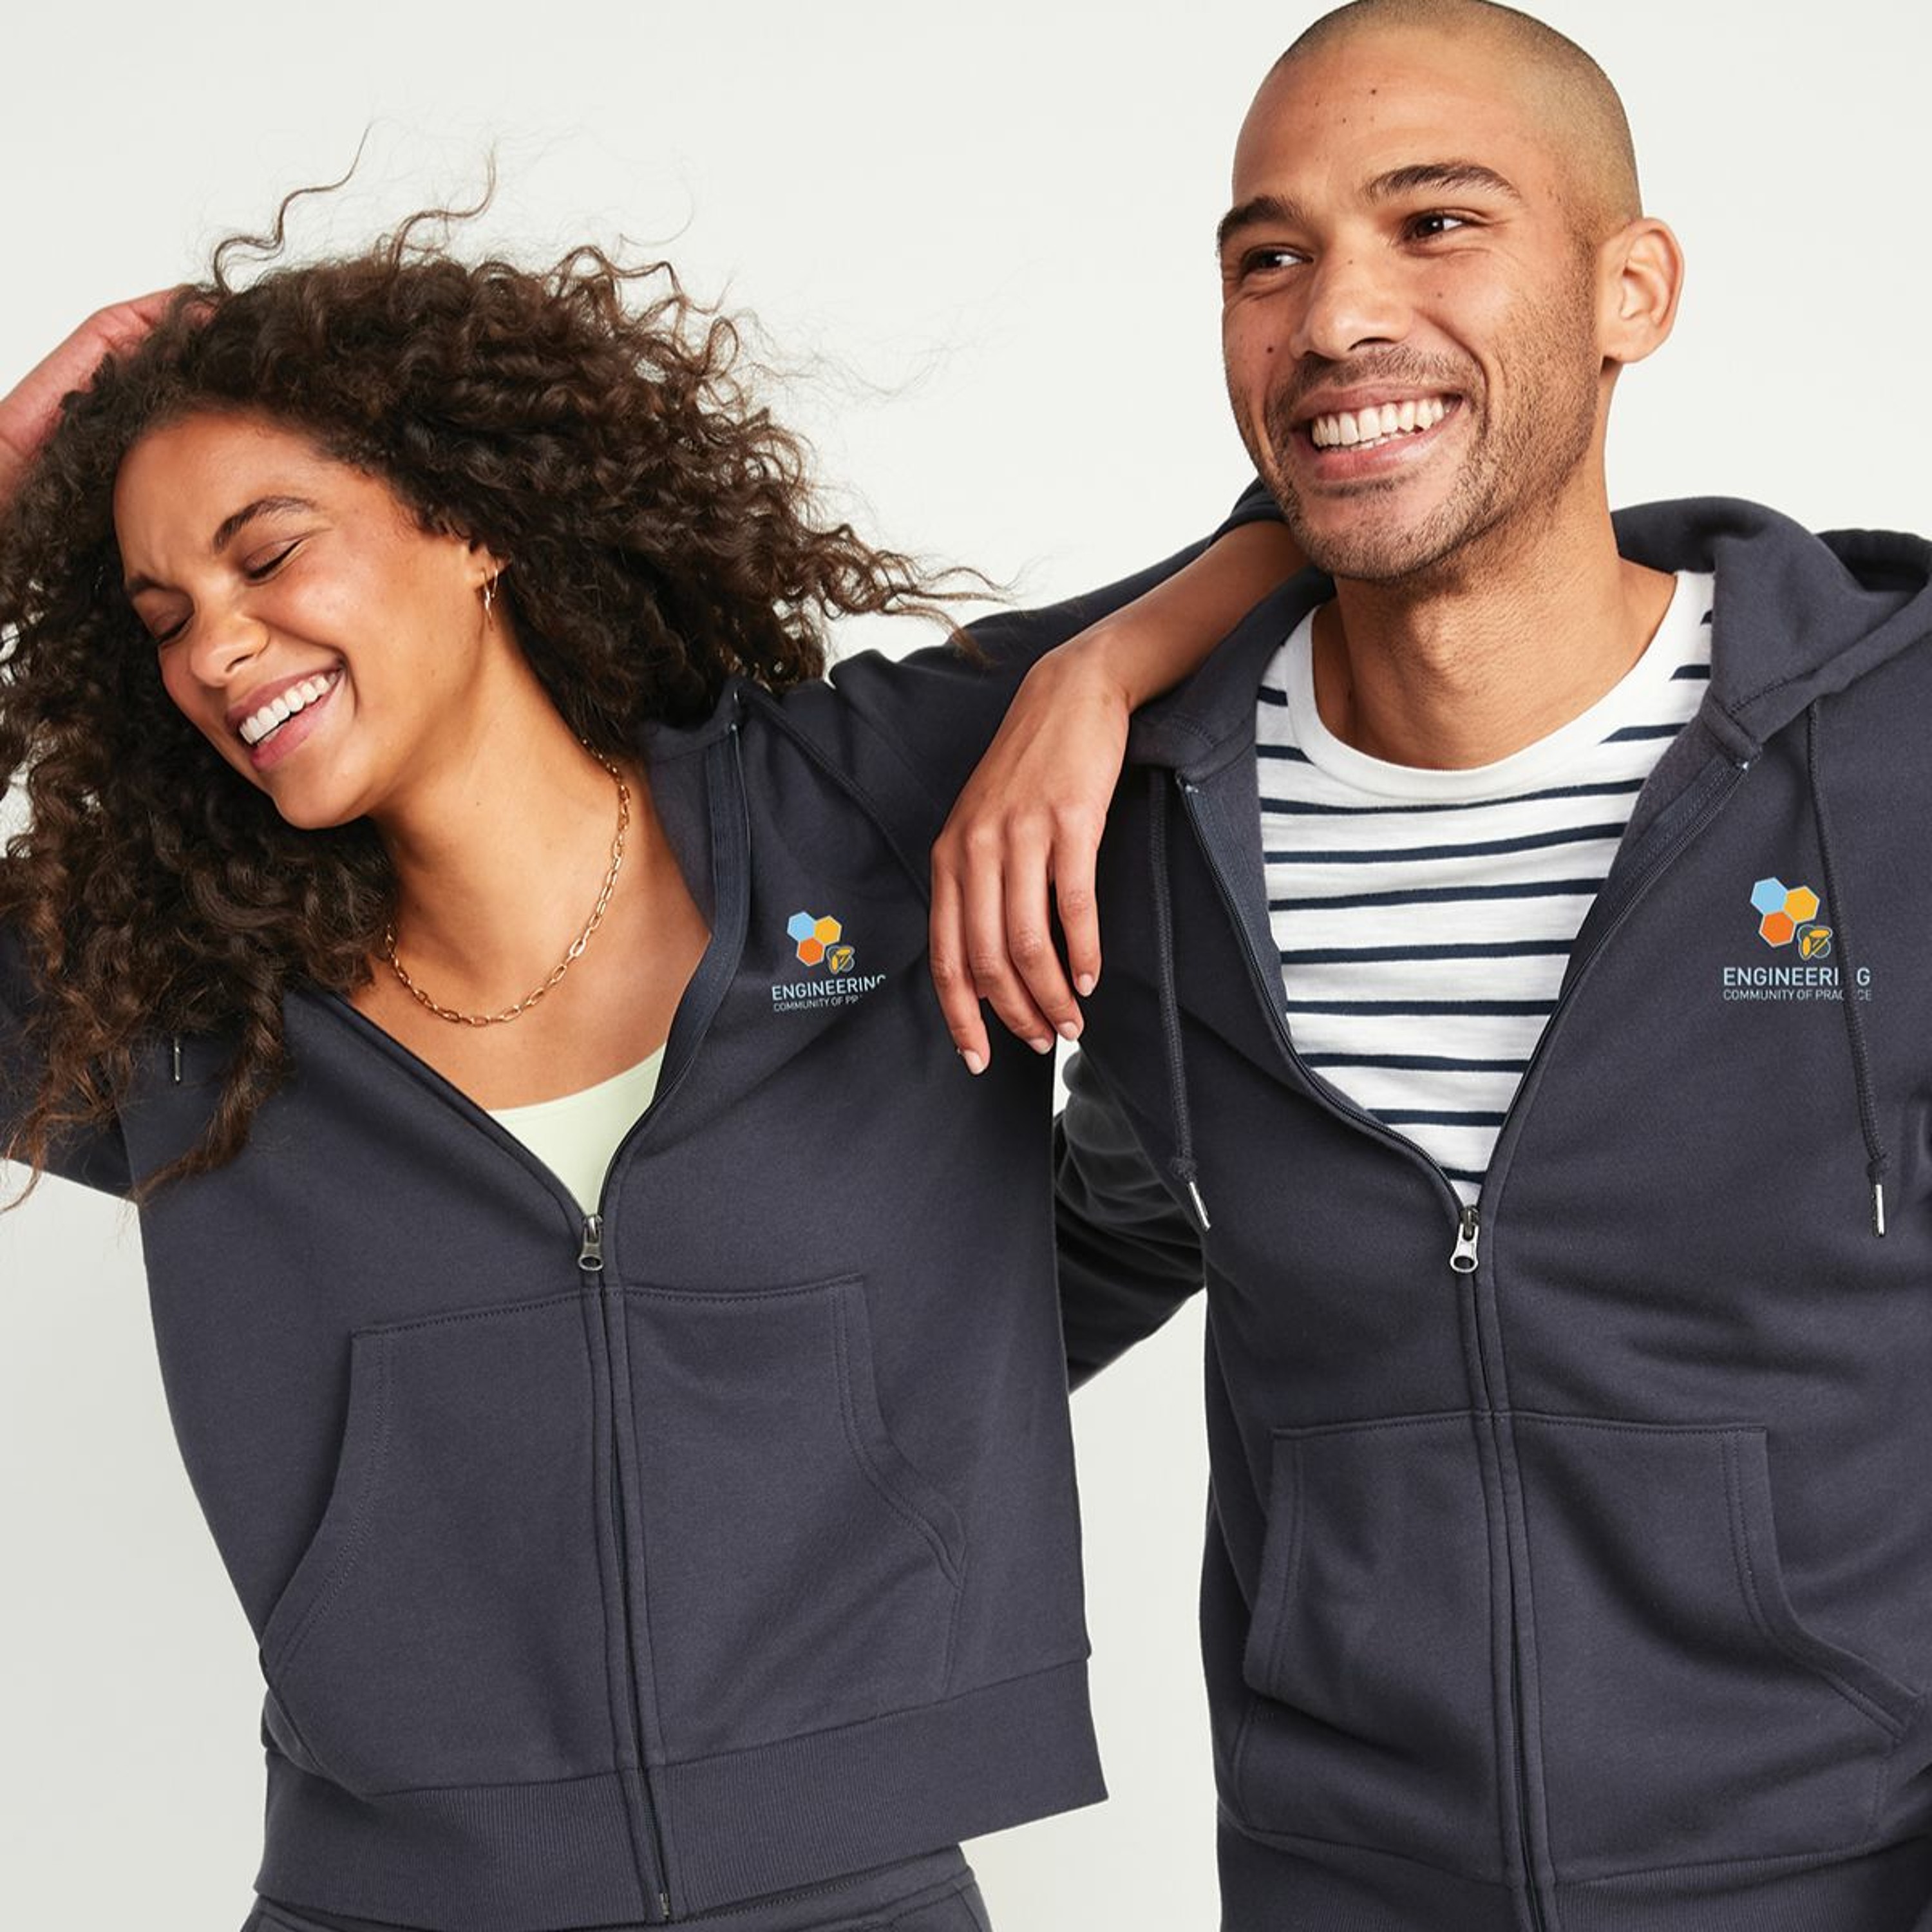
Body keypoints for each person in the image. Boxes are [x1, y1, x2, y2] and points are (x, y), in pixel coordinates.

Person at [0, 222, 1300, 1931]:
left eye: (270, 555)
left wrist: (1095, 673)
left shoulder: (860, 812)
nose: (219, 652)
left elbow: (1326, 531)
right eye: (165, 619)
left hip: (855, 1898)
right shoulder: (169, 991)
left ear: (466, 520)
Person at [930, 2, 1932, 1927]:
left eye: (1437, 222)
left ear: (1632, 289)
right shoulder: (1147, 824)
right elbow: (1122, 1217)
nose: (1334, 316)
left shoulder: (1891, 766)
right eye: (1269, 257)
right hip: (1341, 1881)